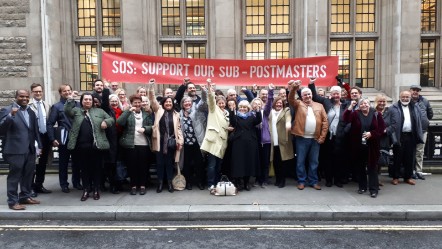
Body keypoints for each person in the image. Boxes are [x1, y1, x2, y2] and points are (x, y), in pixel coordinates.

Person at [65, 92, 114, 201]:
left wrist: (106, 122)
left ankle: (96, 189)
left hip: (96, 146)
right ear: (81, 101)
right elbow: (67, 110)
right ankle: (86, 190)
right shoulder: (77, 111)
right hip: (81, 147)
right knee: (84, 169)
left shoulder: (99, 111)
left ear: (93, 101)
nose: (87, 101)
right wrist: (70, 98)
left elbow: (111, 119)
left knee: (97, 169)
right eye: (85, 99)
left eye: (89, 99)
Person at [0, 90, 42, 210]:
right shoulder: (7, 110)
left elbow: (34, 131)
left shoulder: (31, 112)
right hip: (15, 150)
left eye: (27, 97)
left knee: (28, 174)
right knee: (15, 176)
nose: (24, 98)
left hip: (29, 149)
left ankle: (25, 196)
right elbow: (1, 129)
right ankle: (12, 202)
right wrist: (11, 116)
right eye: (21, 96)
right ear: (16, 97)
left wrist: (39, 145)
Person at [308, 79, 350, 187]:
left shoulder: (345, 105)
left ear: (341, 95)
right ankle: (329, 180)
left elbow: (350, 95)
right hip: (328, 136)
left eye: (338, 93)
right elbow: (315, 96)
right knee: (328, 158)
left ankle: (338, 180)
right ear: (330, 95)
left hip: (341, 136)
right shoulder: (326, 102)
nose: (336, 95)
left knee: (339, 159)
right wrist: (312, 83)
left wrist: (344, 84)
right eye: (334, 93)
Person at [288, 80, 328, 190]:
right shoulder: (298, 104)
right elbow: (290, 98)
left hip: (315, 139)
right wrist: (294, 88)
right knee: (300, 161)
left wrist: (322, 137)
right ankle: (301, 181)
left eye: (309, 94)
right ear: (301, 96)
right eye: (305, 95)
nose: (307, 96)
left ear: (312, 95)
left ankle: (313, 181)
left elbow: (325, 122)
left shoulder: (319, 106)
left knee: (314, 162)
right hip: (301, 138)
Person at [343, 98, 385, 198]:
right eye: (361, 104)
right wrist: (350, 107)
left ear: (369, 105)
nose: (363, 105)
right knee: (360, 167)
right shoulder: (355, 114)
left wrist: (372, 133)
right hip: (358, 145)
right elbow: (345, 119)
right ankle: (362, 187)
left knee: (372, 167)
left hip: (372, 146)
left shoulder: (376, 114)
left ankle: (373, 189)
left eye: (365, 103)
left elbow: (381, 128)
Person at [148, 80, 184, 193]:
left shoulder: (176, 114)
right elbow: (152, 100)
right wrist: (151, 86)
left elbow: (178, 129)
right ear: (163, 103)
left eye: (170, 102)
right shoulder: (158, 110)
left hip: (171, 143)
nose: (168, 103)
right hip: (159, 141)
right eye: (167, 102)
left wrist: (180, 141)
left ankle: (169, 183)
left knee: (169, 163)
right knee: (159, 163)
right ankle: (159, 183)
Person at [46, 84, 82, 193]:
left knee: (77, 162)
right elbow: (50, 124)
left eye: (69, 90)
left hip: (77, 137)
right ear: (60, 93)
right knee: (63, 163)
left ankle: (76, 182)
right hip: (64, 137)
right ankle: (64, 184)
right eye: (64, 91)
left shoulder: (78, 105)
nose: (67, 92)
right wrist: (52, 138)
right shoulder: (56, 107)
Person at [117, 94, 153, 195]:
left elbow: (152, 127)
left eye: (139, 102)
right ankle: (133, 186)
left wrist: (145, 129)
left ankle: (142, 185)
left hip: (144, 144)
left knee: (143, 166)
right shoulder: (127, 113)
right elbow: (120, 122)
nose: (137, 104)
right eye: (135, 102)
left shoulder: (146, 114)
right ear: (131, 103)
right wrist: (128, 111)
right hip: (130, 144)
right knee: (132, 166)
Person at [200, 80, 232, 191]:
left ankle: (217, 182)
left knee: (218, 166)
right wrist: (210, 89)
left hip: (222, 143)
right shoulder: (213, 110)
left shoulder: (227, 114)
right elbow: (211, 100)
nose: (222, 105)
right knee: (212, 165)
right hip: (213, 141)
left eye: (223, 103)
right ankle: (210, 184)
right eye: (220, 103)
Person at [389, 91, 424, 186]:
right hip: (399, 136)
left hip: (411, 135)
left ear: (410, 97)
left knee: (410, 157)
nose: (405, 98)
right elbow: (389, 122)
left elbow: (420, 119)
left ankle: (408, 177)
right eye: (403, 96)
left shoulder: (415, 107)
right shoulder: (393, 107)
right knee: (397, 157)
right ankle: (395, 177)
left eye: (407, 96)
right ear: (399, 97)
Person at [229, 100, 262, 191]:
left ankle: (247, 183)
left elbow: (259, 120)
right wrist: (232, 111)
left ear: (248, 109)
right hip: (238, 143)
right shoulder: (236, 117)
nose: (242, 109)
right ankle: (239, 182)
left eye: (244, 107)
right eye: (241, 107)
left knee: (248, 162)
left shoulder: (251, 116)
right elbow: (232, 122)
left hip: (250, 143)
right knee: (239, 163)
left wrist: (258, 110)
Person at [265, 84, 294, 188]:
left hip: (283, 141)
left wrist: (288, 125)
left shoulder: (286, 111)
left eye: (280, 103)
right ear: (274, 104)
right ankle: (277, 179)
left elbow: (288, 119)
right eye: (277, 103)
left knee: (282, 163)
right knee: (276, 162)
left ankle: (282, 180)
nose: (279, 105)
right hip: (273, 142)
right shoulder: (271, 112)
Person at [179, 89, 208, 190]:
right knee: (186, 165)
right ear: (182, 104)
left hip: (197, 142)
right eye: (185, 102)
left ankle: (200, 182)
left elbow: (203, 101)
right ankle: (189, 183)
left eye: (189, 102)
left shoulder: (197, 111)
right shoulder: (179, 115)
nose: (187, 103)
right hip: (186, 144)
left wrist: (204, 91)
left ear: (192, 103)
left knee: (199, 164)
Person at [28, 83, 52, 195]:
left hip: (45, 137)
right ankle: (30, 187)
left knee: (42, 163)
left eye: (40, 91)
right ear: (32, 92)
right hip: (33, 138)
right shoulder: (28, 105)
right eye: (35, 91)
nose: (38, 93)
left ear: (42, 92)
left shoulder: (46, 105)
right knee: (32, 164)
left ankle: (39, 185)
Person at [410, 84, 433, 180]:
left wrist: (425, 122)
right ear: (410, 90)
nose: (415, 92)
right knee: (410, 151)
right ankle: (410, 171)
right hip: (410, 132)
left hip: (423, 131)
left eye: (417, 90)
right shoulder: (407, 100)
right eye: (414, 90)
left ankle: (418, 171)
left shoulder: (425, 101)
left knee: (420, 152)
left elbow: (430, 114)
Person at [374, 94, 395, 183]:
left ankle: (377, 179)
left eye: (383, 101)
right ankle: (373, 179)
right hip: (374, 139)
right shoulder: (372, 111)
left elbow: (394, 125)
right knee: (373, 160)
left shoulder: (389, 111)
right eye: (380, 101)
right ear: (376, 102)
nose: (382, 103)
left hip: (385, 139)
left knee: (381, 159)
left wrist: (387, 130)